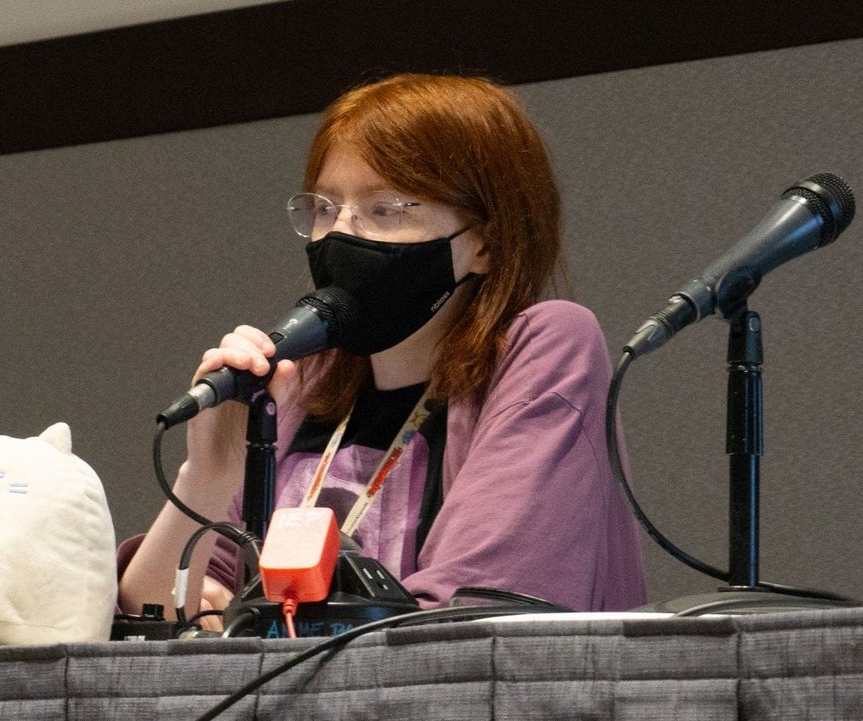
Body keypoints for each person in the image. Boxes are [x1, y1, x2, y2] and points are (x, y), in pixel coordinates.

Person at [118, 73, 644, 619]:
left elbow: (472, 611)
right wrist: (207, 478)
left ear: (486, 241)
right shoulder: (304, 381)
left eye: (384, 210)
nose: (341, 234)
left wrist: (244, 621)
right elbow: (151, 613)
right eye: (325, 208)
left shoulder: (545, 348)